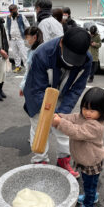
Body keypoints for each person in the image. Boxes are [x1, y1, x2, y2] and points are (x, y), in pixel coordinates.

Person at [23, 27, 92, 178]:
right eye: (69, 57)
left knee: (63, 128)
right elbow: (37, 88)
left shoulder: (86, 60)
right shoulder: (42, 53)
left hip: (63, 93)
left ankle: (63, 160)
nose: (72, 63)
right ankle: (39, 161)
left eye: (76, 60)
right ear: (61, 43)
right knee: (39, 127)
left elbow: (77, 89)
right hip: (39, 94)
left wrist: (62, 112)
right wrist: (48, 113)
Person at [52, 87, 104, 207]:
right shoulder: (81, 116)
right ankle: (92, 196)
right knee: (88, 182)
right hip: (85, 158)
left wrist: (60, 123)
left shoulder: (96, 126)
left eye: (92, 110)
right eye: (85, 108)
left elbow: (77, 132)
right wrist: (60, 116)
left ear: (102, 111)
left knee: (89, 184)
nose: (87, 113)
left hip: (92, 161)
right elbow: (72, 118)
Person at [19, 26, 44, 96]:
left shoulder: (36, 53)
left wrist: (23, 86)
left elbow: (30, 72)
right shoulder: (33, 51)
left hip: (36, 88)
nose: (25, 40)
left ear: (34, 37)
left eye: (26, 37)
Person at [6, 4, 30, 73]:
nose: (13, 12)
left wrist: (26, 35)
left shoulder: (21, 17)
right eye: (11, 11)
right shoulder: (8, 18)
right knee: (15, 53)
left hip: (20, 38)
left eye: (14, 10)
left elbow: (27, 26)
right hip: (12, 39)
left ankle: (27, 67)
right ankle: (18, 67)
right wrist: (8, 37)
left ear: (16, 10)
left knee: (24, 53)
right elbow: (7, 28)